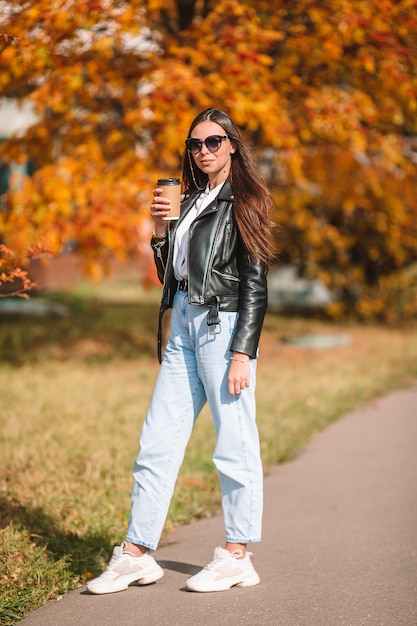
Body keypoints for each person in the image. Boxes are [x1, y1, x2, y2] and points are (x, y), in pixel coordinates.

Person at [87, 107, 275, 595]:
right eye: (195, 143)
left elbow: (256, 285)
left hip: (224, 326)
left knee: (233, 444)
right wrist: (158, 231)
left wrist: (242, 353)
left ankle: (238, 555)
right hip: (184, 328)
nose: (204, 151)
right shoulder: (190, 200)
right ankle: (135, 554)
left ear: (232, 144)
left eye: (214, 141)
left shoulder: (246, 199)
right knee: (157, 443)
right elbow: (171, 276)